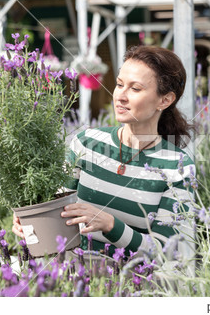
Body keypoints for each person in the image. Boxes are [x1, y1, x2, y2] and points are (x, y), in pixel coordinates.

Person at [13, 46, 196, 257]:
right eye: (119, 84)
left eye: (135, 89)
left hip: (131, 282)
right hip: (72, 274)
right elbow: (56, 207)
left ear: (165, 100)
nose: (120, 96)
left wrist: (110, 225)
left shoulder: (178, 166)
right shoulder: (86, 143)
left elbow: (166, 249)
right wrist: (32, 220)